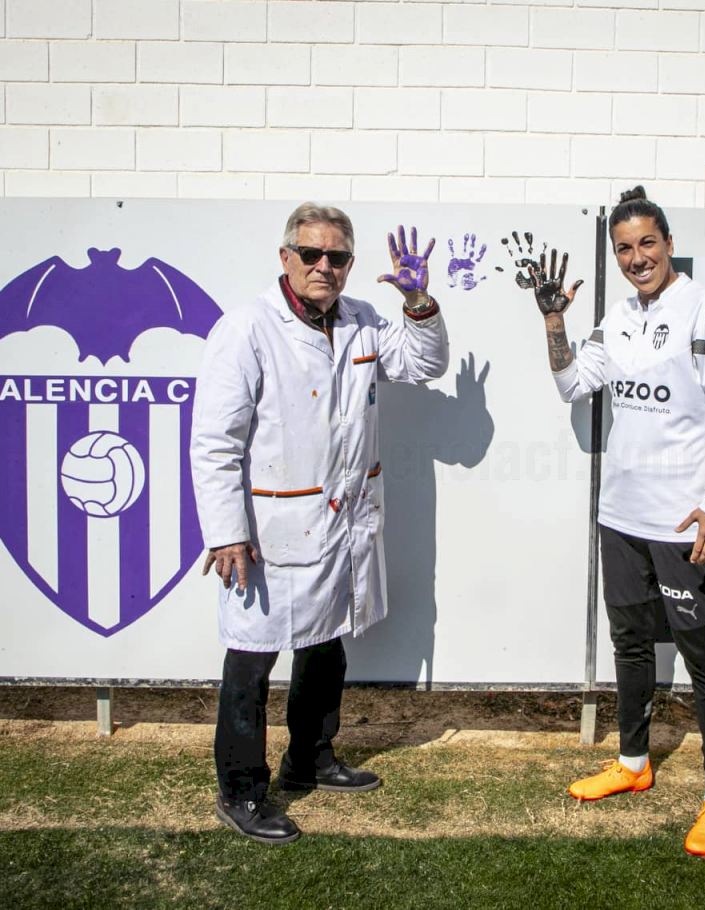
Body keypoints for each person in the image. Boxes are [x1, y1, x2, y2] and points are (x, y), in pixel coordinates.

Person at [190, 205, 449, 845]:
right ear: (286, 257)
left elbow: (424, 365)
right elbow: (214, 442)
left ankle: (310, 757)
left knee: (326, 642)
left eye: (337, 257)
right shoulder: (247, 329)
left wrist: (418, 303)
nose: (323, 266)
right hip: (270, 530)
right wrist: (226, 532)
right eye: (311, 254)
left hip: (343, 521)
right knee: (251, 660)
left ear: (350, 264)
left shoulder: (362, 320)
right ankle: (241, 790)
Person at [527, 186, 705, 857]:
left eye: (647, 243)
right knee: (629, 644)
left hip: (682, 522)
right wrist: (554, 322)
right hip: (620, 516)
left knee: (702, 658)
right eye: (624, 248)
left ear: (669, 243)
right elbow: (572, 384)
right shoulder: (616, 317)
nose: (636, 258)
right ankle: (633, 763)